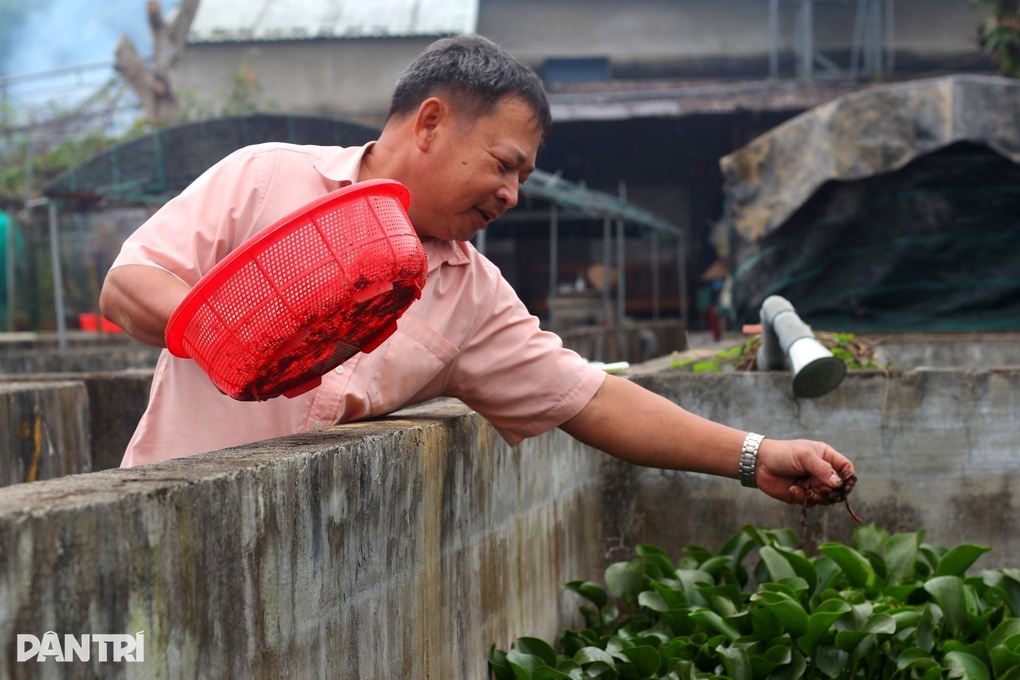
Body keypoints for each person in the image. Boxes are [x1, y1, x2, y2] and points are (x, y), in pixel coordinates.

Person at [100, 35, 855, 506]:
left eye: (521, 178)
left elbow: (592, 399)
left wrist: (756, 456)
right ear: (430, 123)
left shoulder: (471, 293)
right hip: (158, 515)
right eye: (503, 164)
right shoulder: (267, 177)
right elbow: (129, 284)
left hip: (294, 552)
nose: (511, 194)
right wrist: (239, 337)